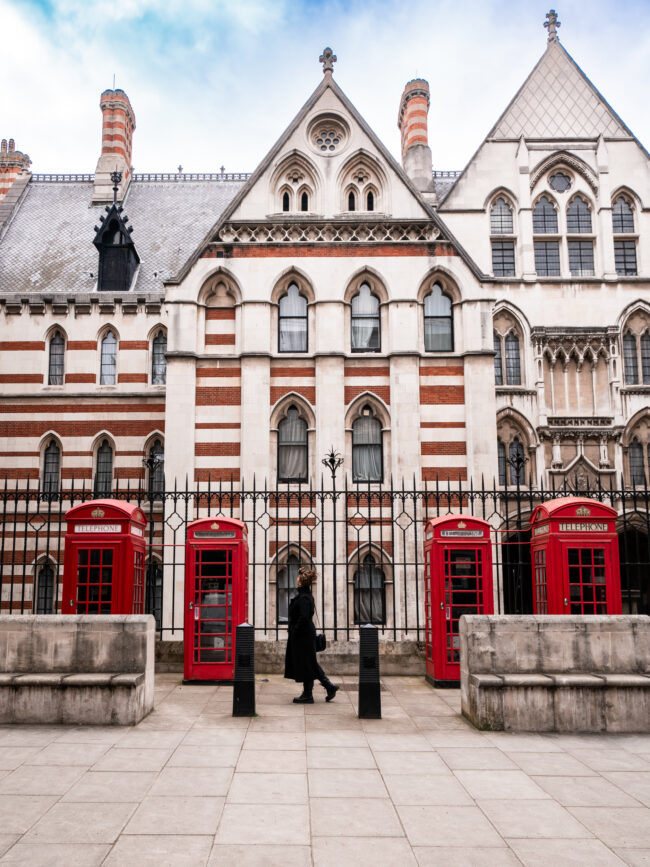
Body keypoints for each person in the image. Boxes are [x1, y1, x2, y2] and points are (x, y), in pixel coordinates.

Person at [284, 566, 339, 704]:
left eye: (298, 577)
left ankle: (311, 693)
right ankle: (325, 687)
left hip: (303, 636)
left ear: (301, 582)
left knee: (308, 663)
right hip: (304, 634)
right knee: (309, 663)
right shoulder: (305, 595)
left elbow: (303, 618)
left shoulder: (304, 598)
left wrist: (295, 632)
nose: (296, 579)